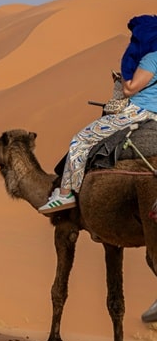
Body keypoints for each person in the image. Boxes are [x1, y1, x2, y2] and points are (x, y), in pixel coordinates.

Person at [40, 15, 157, 213]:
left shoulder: (151, 58)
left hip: (137, 112)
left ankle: (65, 193)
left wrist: (123, 75)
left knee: (81, 139)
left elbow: (130, 90)